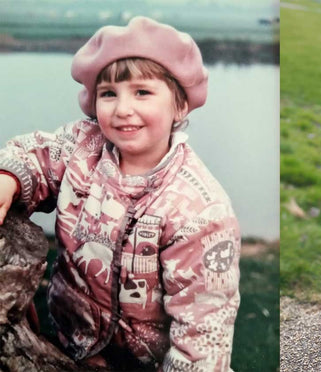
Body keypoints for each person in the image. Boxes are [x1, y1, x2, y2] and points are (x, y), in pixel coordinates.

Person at [0, 16, 240, 372]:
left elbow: (204, 323)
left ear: (180, 105)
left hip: (146, 362)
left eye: (142, 92)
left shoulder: (200, 210)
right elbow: (36, 154)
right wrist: (10, 177)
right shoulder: (83, 147)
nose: (123, 108)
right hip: (71, 337)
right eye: (108, 93)